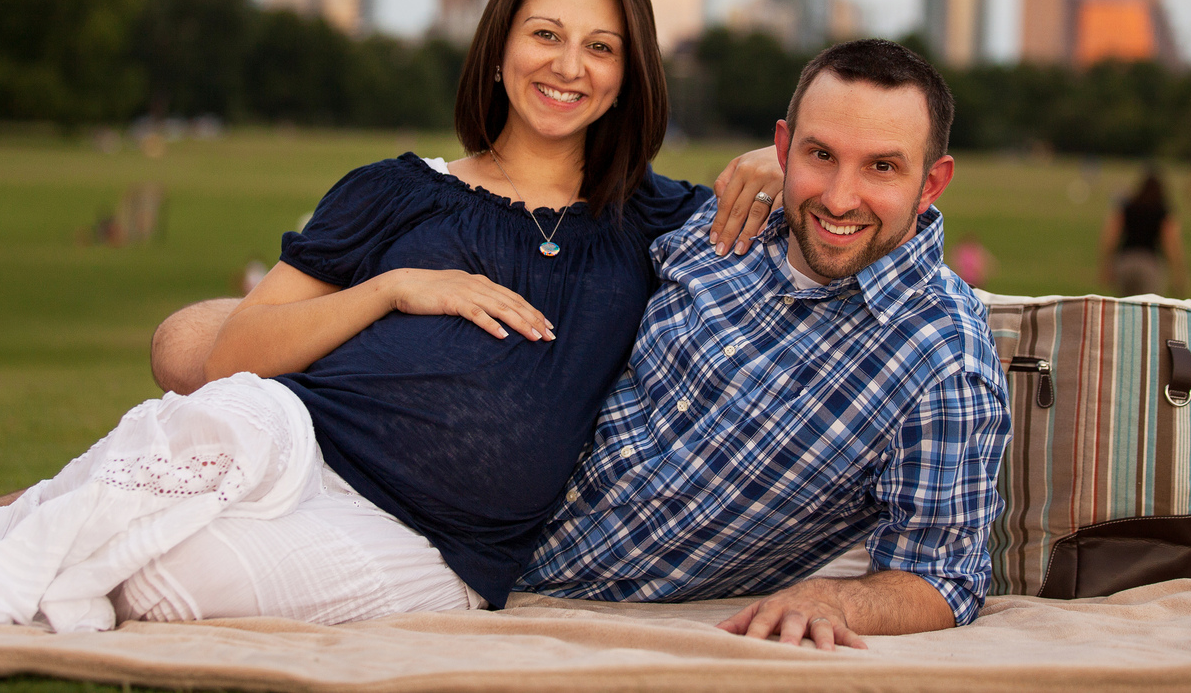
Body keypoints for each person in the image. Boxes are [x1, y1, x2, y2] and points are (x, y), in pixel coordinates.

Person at [0, 0, 783, 633]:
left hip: (434, 547)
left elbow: (813, 194)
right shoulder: (395, 192)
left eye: (601, 46)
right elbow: (235, 353)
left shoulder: (652, 218)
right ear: (498, 51)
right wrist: (394, 287)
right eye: (545, 34)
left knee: (160, 581)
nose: (568, 65)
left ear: (628, 74)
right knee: (194, 443)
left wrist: (773, 160)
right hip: (296, 434)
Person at [155, 39, 1008, 648]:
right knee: (183, 351)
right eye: (821, 154)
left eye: (882, 167)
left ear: (933, 180)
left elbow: (945, 574)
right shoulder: (725, 229)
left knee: (166, 563)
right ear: (785, 148)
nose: (841, 195)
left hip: (473, 550)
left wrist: (839, 600)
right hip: (395, 439)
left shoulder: (944, 360)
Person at [1099, 168, 1186, 297]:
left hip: (1125, 262)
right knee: (1148, 307)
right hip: (1149, 264)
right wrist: (1178, 272)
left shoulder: (1128, 207)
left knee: (1125, 306)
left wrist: (1106, 264)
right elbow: (1170, 243)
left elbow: (1111, 236)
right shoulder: (1162, 210)